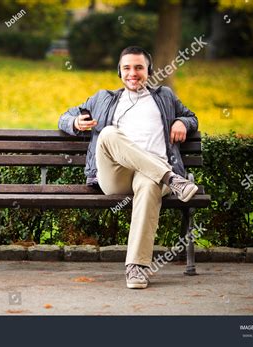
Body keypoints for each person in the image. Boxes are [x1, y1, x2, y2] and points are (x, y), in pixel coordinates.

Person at [58, 46, 199, 289]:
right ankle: (172, 179)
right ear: (120, 72)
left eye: (139, 68)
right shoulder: (104, 98)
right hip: (116, 176)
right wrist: (75, 122)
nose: (132, 73)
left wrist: (182, 121)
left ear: (149, 71)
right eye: (127, 68)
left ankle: (137, 268)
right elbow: (64, 117)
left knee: (148, 185)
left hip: (150, 176)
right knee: (109, 133)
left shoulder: (165, 96)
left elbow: (192, 117)